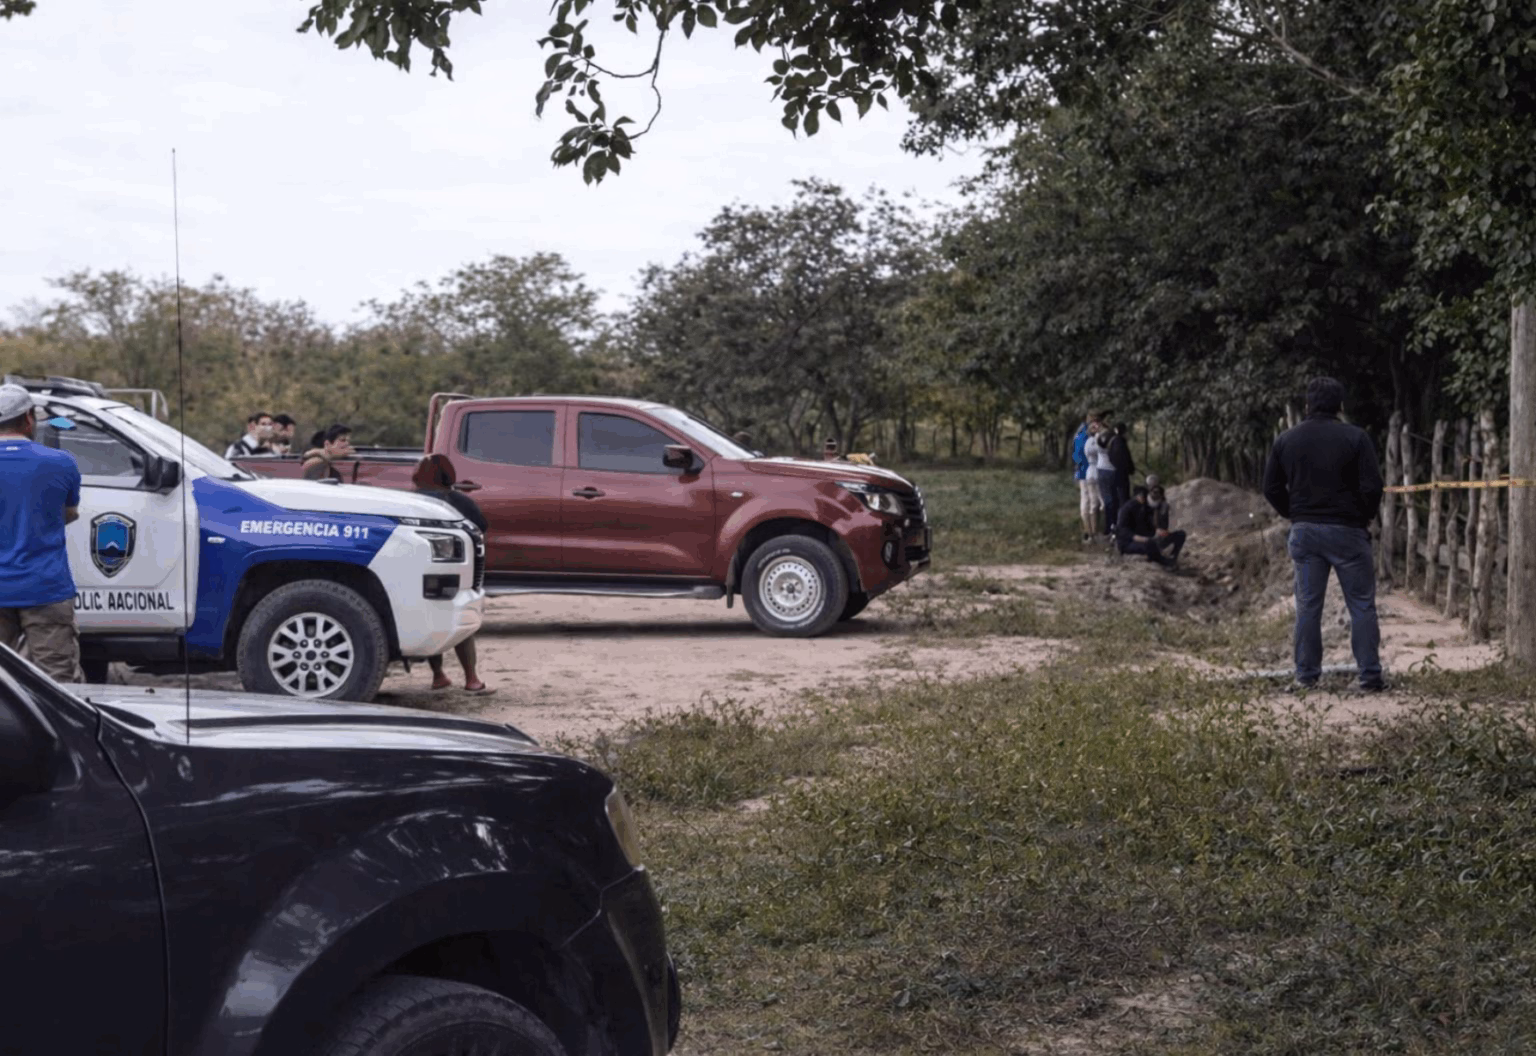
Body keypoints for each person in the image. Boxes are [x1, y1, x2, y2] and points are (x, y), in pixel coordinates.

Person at [1263, 376, 1385, 693]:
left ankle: (1306, 677)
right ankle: (1369, 677)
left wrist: (1294, 514)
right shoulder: (1356, 438)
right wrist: (1363, 517)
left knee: (1307, 606)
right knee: (1361, 605)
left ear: (1307, 405)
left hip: (1304, 533)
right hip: (1348, 531)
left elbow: (1270, 487)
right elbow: (1373, 487)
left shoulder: (1286, 440)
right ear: (1340, 406)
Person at [0, 384, 84, 682]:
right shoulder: (62, 463)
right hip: (45, 588)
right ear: (28, 418)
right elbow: (69, 514)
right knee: (56, 682)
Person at [411, 454, 491, 693]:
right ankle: (472, 679)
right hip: (454, 571)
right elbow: (481, 526)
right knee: (463, 625)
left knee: (433, 621)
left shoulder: (410, 500)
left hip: (421, 571)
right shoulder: (458, 501)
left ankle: (438, 675)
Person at [1114, 485, 1173, 567]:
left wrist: (1156, 531)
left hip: (1136, 539)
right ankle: (1163, 562)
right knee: (1149, 544)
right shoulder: (1127, 509)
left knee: (1155, 542)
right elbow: (1122, 530)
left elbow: (1145, 525)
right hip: (1126, 543)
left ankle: (1162, 559)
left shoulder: (1141, 507)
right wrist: (1142, 538)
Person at [1074, 414, 1105, 542]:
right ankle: (1093, 532)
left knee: (1085, 501)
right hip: (1091, 470)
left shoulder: (1079, 435)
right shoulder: (1089, 436)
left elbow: (1076, 456)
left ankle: (1088, 532)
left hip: (1082, 471)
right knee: (1094, 503)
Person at [1091, 418, 1118, 538]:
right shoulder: (1114, 437)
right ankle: (1115, 524)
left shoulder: (1097, 437)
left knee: (1107, 499)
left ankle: (1108, 527)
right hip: (1113, 469)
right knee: (1114, 498)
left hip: (1102, 469)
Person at [1147, 484, 1187, 564]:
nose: (1156, 495)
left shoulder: (1164, 506)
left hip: (1160, 538)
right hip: (1147, 540)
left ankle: (1172, 558)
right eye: (1154, 492)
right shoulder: (1144, 508)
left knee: (1181, 534)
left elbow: (1169, 525)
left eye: (1158, 493)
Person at [1107, 422, 1136, 520]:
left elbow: (1110, 457)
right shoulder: (1120, 442)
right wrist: (1130, 469)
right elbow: (1124, 459)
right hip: (1121, 474)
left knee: (1119, 499)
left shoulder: (1113, 441)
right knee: (1124, 498)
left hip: (1114, 473)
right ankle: (1124, 521)